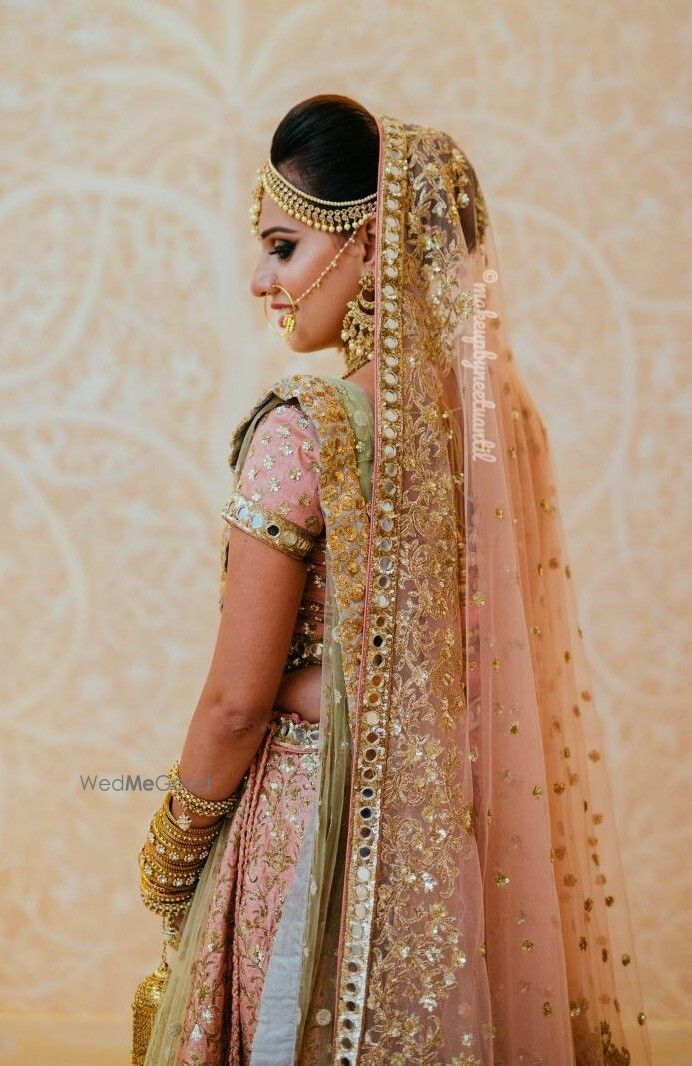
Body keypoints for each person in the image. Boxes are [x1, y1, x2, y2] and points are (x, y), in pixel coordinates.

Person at [132, 95, 652, 1065]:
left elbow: (235, 703)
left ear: (368, 245)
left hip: (312, 848)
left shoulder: (305, 431)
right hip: (451, 853)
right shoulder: (497, 433)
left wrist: (171, 848)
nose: (259, 279)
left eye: (282, 246)